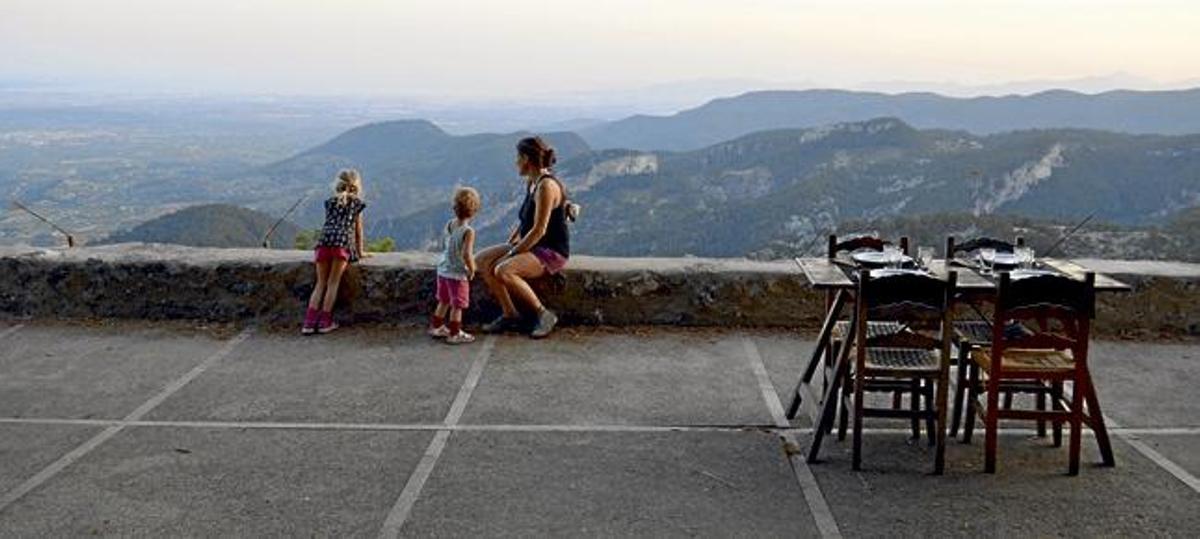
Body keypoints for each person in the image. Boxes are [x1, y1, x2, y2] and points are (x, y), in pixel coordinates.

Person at [475, 136, 570, 339]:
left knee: (503, 270)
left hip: (550, 251)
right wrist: (512, 242)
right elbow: (525, 221)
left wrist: (512, 253)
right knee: (481, 260)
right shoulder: (532, 182)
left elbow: (539, 230)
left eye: (517, 157)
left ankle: (543, 314)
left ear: (526, 158)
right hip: (532, 245)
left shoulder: (546, 187)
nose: (515, 162)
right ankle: (510, 315)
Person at [301, 169, 367, 335]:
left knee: (320, 283)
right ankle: (325, 322)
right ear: (356, 186)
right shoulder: (356, 204)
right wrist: (360, 252)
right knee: (332, 283)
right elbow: (357, 231)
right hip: (341, 244)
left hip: (324, 243)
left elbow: (330, 224)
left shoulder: (330, 202)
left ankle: (309, 322)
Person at [429, 187, 481, 345]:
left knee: (443, 301)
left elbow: (444, 244)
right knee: (457, 305)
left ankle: (436, 327)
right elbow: (466, 254)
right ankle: (454, 333)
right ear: (474, 211)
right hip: (457, 274)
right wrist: (472, 268)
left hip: (443, 269)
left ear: (454, 208)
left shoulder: (449, 224)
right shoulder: (468, 231)